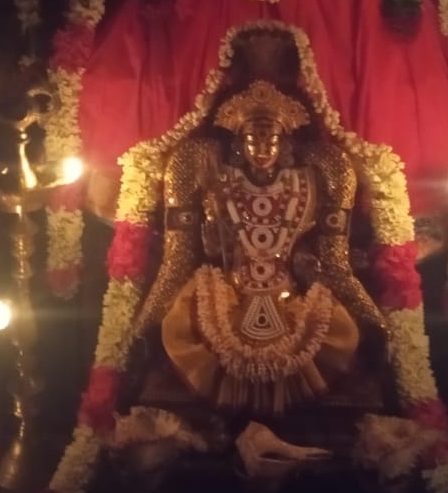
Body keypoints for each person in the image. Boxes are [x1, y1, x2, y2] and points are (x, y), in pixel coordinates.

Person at [132, 79, 386, 414]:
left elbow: (335, 264)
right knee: (185, 332)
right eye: (254, 140)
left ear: (285, 144)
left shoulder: (309, 181)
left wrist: (372, 319)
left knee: (339, 335)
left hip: (289, 297)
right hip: (228, 295)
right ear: (240, 143)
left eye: (272, 141)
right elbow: (180, 259)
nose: (263, 149)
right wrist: (145, 322)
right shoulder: (216, 180)